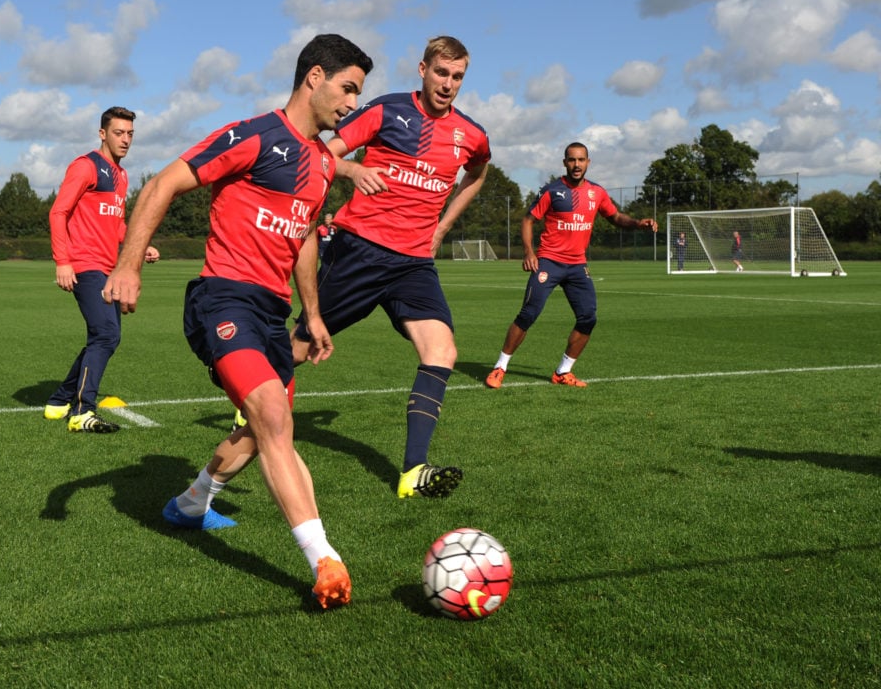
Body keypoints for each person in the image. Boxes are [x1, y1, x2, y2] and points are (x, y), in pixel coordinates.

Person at [103, 34, 374, 610]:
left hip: (274, 315)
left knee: (262, 431)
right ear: (314, 78)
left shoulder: (324, 162)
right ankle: (324, 558)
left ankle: (192, 503)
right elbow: (163, 184)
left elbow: (302, 236)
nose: (352, 103)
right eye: (348, 88)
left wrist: (315, 313)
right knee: (273, 415)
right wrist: (128, 265)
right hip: (222, 299)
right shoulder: (253, 134)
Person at [291, 34, 491, 500]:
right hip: (360, 249)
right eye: (441, 73)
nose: (448, 84)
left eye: (457, 76)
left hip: (415, 263)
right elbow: (321, 154)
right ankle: (252, 405)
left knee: (441, 351)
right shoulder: (386, 111)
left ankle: (412, 471)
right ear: (422, 69)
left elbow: (477, 174)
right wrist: (354, 172)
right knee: (300, 347)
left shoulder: (472, 134)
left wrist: (442, 228)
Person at [485, 142, 658, 389]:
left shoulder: (596, 193)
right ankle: (500, 367)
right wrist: (528, 252)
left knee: (588, 318)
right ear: (565, 162)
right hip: (549, 262)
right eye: (572, 160)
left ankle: (563, 372)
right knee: (528, 314)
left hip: (577, 266)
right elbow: (527, 220)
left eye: (581, 160)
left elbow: (616, 217)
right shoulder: (552, 191)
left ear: (588, 162)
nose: (576, 165)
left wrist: (638, 223)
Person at [44, 106, 160, 433]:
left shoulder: (121, 176)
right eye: (119, 133)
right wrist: (63, 261)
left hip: (110, 269)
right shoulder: (86, 167)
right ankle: (82, 411)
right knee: (106, 334)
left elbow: (116, 224)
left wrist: (139, 246)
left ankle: (59, 399)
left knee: (107, 335)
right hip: (85, 264)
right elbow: (58, 213)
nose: (125, 140)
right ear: (102, 134)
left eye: (130, 134)